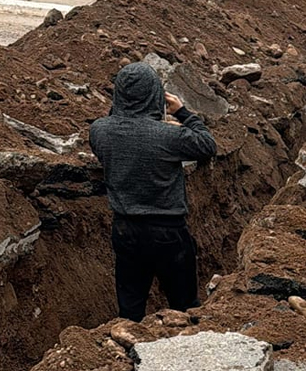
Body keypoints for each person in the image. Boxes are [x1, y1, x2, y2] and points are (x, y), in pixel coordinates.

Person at [89, 62, 217, 322]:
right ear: (156, 96)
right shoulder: (167, 137)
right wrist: (182, 112)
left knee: (130, 309)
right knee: (185, 307)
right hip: (168, 233)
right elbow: (207, 144)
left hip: (125, 231)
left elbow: (115, 134)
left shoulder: (99, 130)